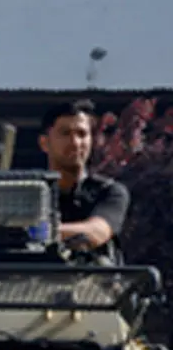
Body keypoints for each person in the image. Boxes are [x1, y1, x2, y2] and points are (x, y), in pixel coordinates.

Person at [39, 98, 130, 265]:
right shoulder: (28, 193)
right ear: (44, 143)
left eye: (82, 134)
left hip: (93, 287)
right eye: (65, 133)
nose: (75, 143)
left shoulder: (110, 192)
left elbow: (96, 232)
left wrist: (38, 233)